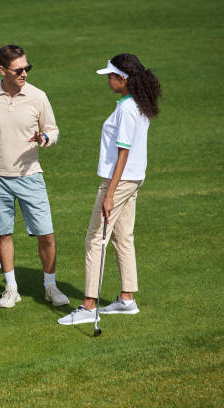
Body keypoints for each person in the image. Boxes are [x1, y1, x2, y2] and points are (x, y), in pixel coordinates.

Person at [58, 53, 161, 325]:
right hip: (134, 179)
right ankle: (127, 299)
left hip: (120, 181)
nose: (108, 81)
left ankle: (89, 305)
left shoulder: (128, 109)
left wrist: (110, 193)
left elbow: (123, 153)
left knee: (95, 239)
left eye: (111, 77)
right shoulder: (138, 103)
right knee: (123, 237)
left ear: (122, 79)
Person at [0, 44, 69, 308]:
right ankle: (11, 288)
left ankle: (50, 286)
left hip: (30, 176)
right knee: (4, 234)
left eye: (27, 68)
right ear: (3, 70)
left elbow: (53, 130)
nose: (25, 73)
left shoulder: (38, 97)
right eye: (19, 69)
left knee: (46, 234)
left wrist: (45, 137)